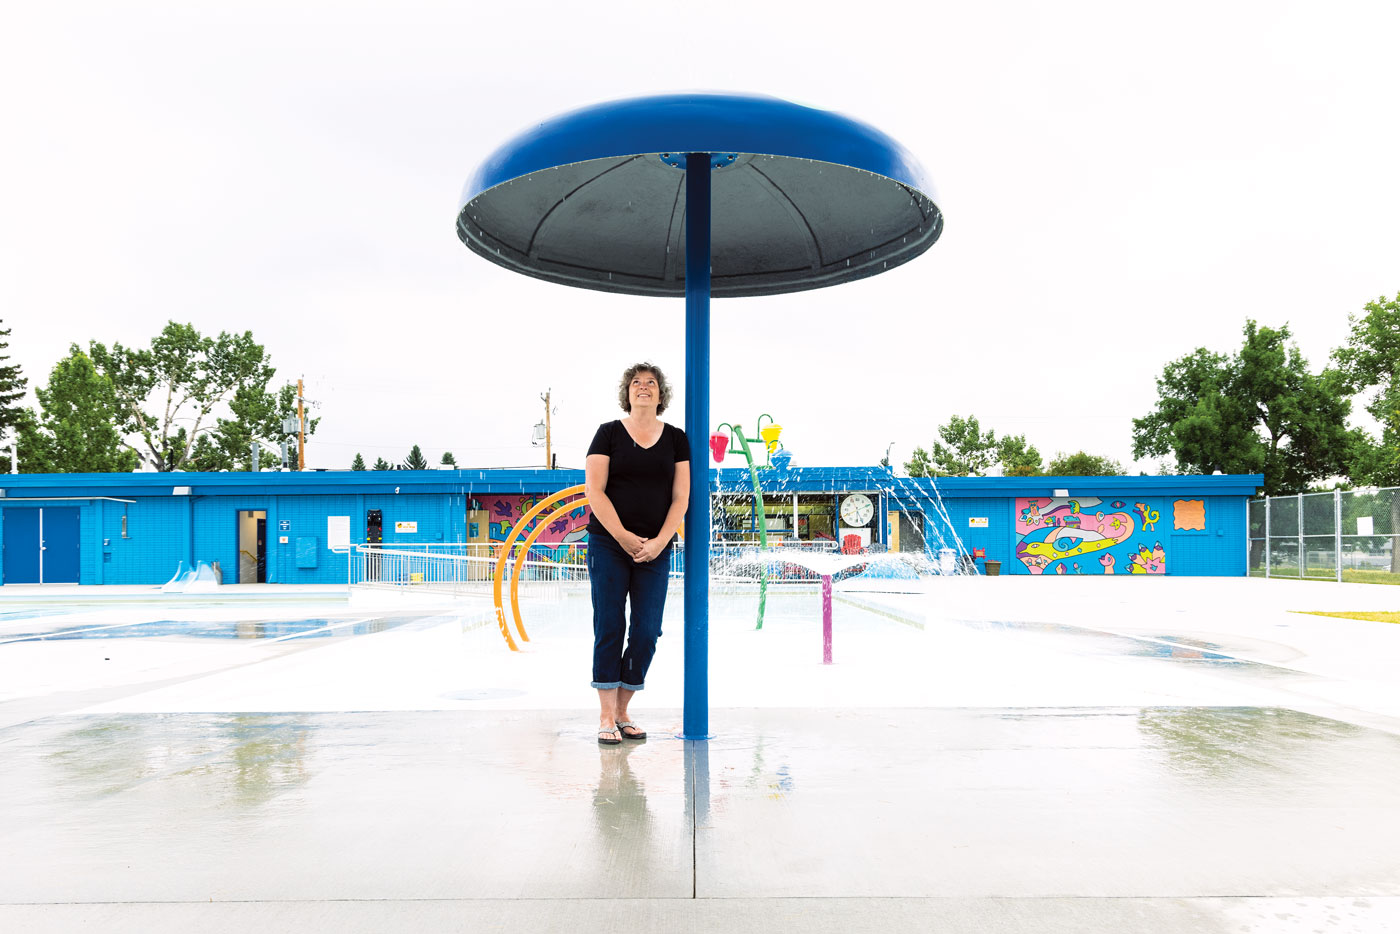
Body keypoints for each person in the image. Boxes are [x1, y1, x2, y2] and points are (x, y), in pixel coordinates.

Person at [584, 362, 690, 745]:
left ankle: (623, 709)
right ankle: (606, 715)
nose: (643, 386)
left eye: (651, 383)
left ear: (661, 394)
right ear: (626, 392)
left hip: (655, 548)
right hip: (609, 544)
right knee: (610, 625)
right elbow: (595, 491)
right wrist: (624, 537)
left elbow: (681, 497)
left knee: (647, 631)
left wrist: (660, 541)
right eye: (636, 382)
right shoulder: (608, 433)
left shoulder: (676, 439)